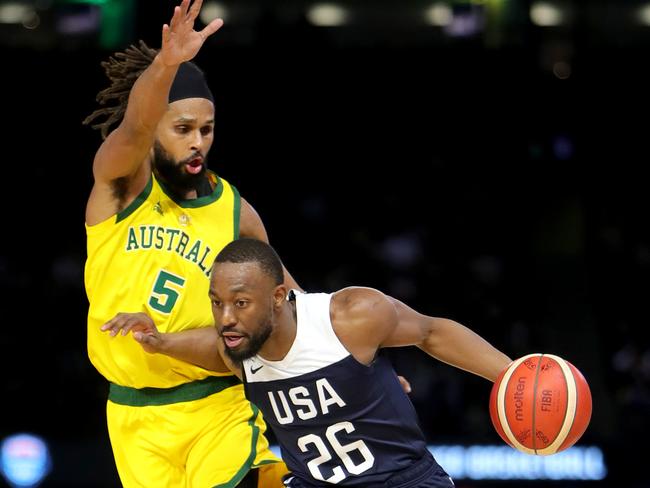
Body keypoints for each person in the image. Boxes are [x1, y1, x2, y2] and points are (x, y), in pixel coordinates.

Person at [83, 1, 295, 486]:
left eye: (207, 128)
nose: (198, 141)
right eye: (182, 129)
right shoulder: (120, 188)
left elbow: (289, 301)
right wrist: (165, 65)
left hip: (217, 400)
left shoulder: (236, 212)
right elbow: (133, 127)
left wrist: (353, 366)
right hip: (132, 412)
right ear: (155, 129)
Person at [111, 238, 513, 487]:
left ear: (277, 296)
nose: (226, 317)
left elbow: (431, 332)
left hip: (402, 481)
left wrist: (512, 375)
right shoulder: (237, 350)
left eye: (241, 303)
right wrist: (159, 341)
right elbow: (207, 345)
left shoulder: (351, 316)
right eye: (217, 303)